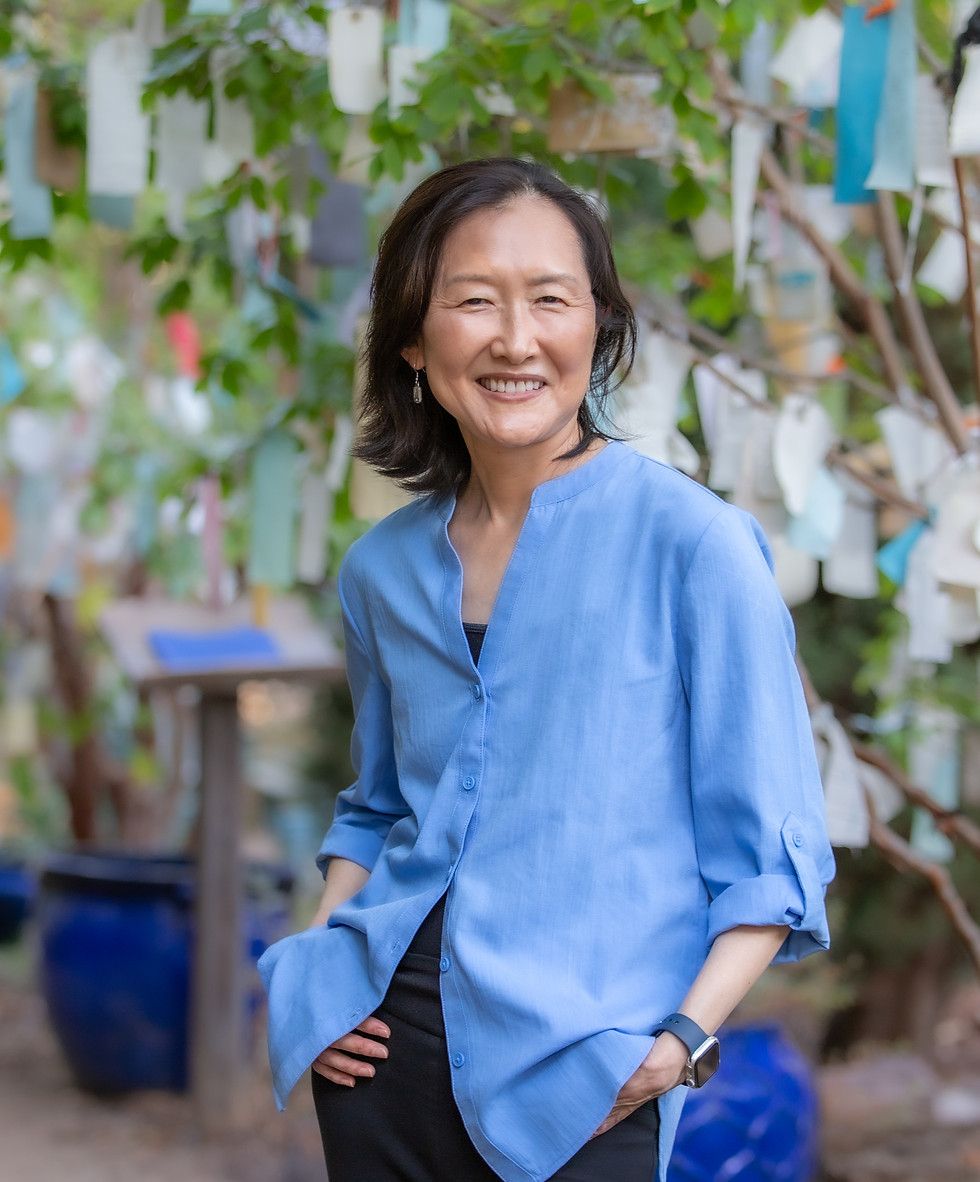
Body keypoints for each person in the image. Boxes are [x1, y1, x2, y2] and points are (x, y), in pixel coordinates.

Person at [258, 157, 835, 1182]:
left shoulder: (694, 547)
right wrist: (319, 976)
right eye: (472, 300)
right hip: (379, 1055)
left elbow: (772, 860)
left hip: (587, 1071)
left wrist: (677, 1045)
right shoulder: (381, 572)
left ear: (597, 330)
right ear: (410, 339)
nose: (514, 338)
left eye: (550, 300)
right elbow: (379, 807)